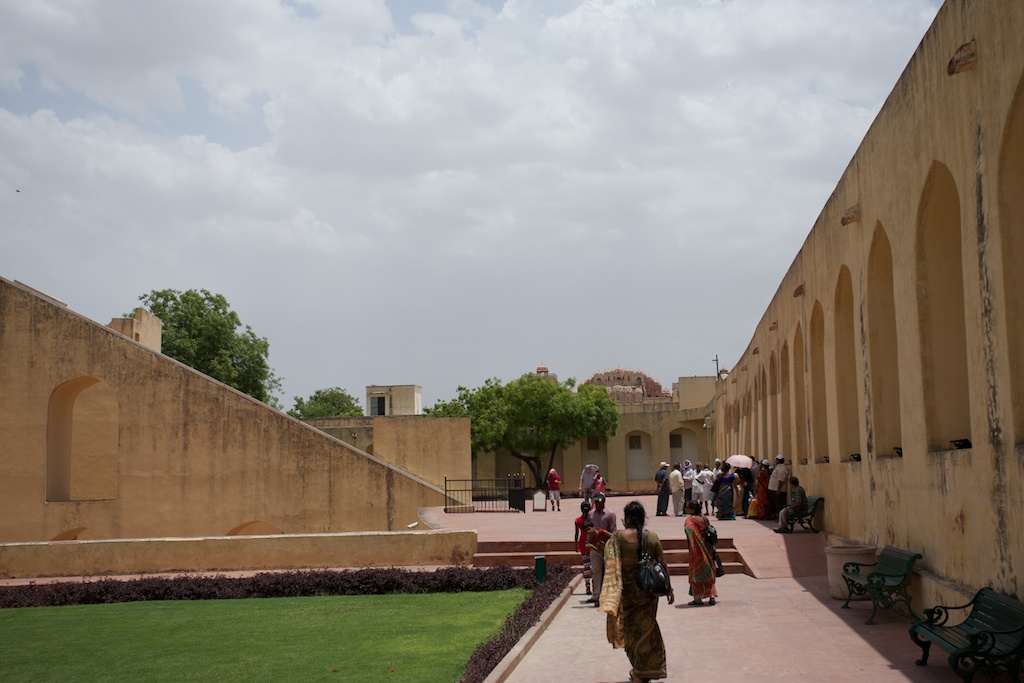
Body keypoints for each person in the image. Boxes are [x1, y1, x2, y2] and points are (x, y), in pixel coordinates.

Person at [599, 500, 674, 682]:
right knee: (647, 631)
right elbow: (662, 565)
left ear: (626, 519)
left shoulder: (616, 538)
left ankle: (638, 671)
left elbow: (609, 562)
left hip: (627, 594)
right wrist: (669, 588)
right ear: (642, 519)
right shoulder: (652, 537)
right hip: (648, 593)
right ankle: (642, 672)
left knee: (631, 634)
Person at [683, 500, 718, 605]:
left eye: (688, 508)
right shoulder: (705, 518)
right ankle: (711, 595)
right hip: (708, 548)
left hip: (697, 550)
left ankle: (698, 599)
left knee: (697, 574)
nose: (686, 509)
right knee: (709, 572)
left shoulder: (690, 521)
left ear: (693, 510)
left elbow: (690, 531)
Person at [590, 491, 618, 605]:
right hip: (594, 547)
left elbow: (613, 532)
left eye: (599, 501)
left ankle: (608, 596)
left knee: (608, 572)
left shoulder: (610, 514)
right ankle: (596, 595)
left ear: (604, 501)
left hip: (607, 546)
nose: (597, 504)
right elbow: (588, 531)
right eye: (595, 501)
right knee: (596, 571)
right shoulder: (591, 514)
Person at [575, 501, 593, 594]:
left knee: (586, 567)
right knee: (594, 566)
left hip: (582, 544)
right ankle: (595, 587)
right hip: (592, 543)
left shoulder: (577, 520)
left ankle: (587, 587)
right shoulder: (592, 519)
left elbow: (576, 534)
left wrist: (575, 545)